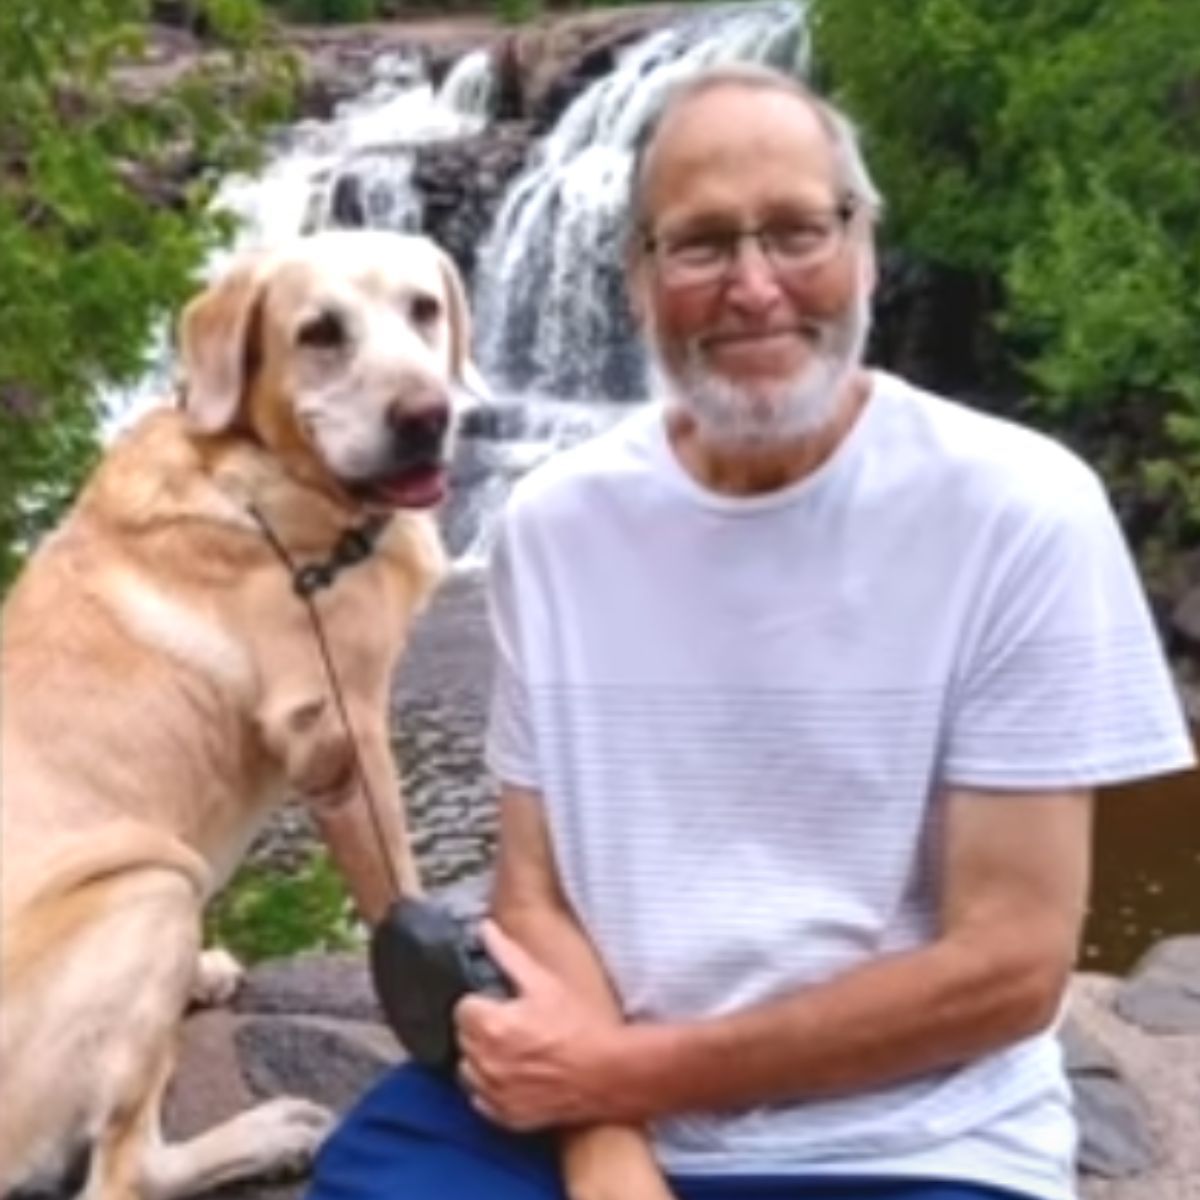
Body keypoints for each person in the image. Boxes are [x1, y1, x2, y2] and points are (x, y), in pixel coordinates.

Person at [307, 63, 1196, 1200]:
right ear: (637, 278)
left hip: (904, 1138)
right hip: (581, 1098)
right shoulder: (552, 526)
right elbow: (533, 894)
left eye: (795, 232)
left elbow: (1010, 970)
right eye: (702, 244)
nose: (756, 286)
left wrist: (619, 1076)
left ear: (864, 244)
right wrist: (607, 1141)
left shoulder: (1017, 510)